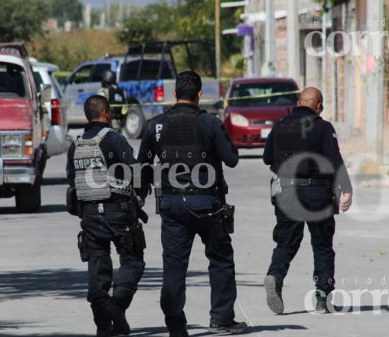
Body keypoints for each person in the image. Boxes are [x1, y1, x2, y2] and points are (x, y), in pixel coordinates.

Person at [138, 71, 247, 336]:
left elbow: (141, 166)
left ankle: (176, 325)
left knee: (174, 267)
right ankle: (221, 320)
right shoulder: (209, 123)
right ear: (199, 95)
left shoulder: (156, 125)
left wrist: (138, 199)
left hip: (172, 206)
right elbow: (232, 159)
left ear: (175, 93)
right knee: (221, 259)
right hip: (206, 203)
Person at [262, 87, 353, 315]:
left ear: (298, 102)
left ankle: (275, 276)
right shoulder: (323, 127)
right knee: (322, 246)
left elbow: (266, 158)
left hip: (287, 193)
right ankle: (323, 299)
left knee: (285, 243)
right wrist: (347, 189)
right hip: (317, 194)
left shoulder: (280, 125)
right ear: (319, 106)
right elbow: (335, 161)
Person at [66, 95, 146, 336]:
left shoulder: (76, 144)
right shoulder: (114, 139)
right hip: (118, 214)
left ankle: (104, 326)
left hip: (90, 217)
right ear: (106, 114)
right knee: (133, 261)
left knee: (97, 268)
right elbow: (135, 172)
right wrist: (140, 194)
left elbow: (72, 180)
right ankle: (116, 307)